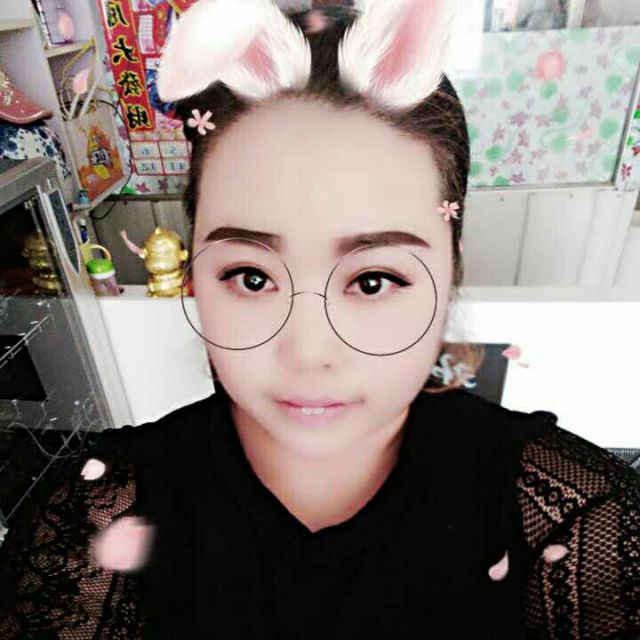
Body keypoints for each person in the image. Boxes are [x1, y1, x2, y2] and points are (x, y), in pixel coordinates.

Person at [1, 1, 639, 638]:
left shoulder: (571, 519)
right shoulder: (96, 513)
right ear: (195, 274)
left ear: (450, 272)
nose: (308, 352)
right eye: (252, 277)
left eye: (372, 280)